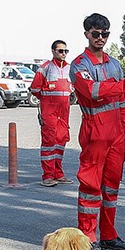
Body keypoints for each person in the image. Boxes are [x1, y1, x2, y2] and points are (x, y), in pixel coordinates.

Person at [69, 14, 125, 250]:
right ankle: (87, 238)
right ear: (87, 34)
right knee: (91, 187)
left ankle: (109, 236)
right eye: (96, 33)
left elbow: (121, 102)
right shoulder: (79, 65)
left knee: (111, 187)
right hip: (95, 132)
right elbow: (92, 91)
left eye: (105, 34)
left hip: (116, 134)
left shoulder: (114, 64)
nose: (100, 38)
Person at [29, 40, 74, 187]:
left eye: (66, 51)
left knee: (61, 141)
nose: (63, 54)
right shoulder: (45, 68)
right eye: (60, 51)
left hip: (64, 112)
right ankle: (48, 176)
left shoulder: (70, 68)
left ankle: (58, 174)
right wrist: (48, 100)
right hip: (50, 111)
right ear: (53, 51)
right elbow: (35, 89)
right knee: (49, 142)